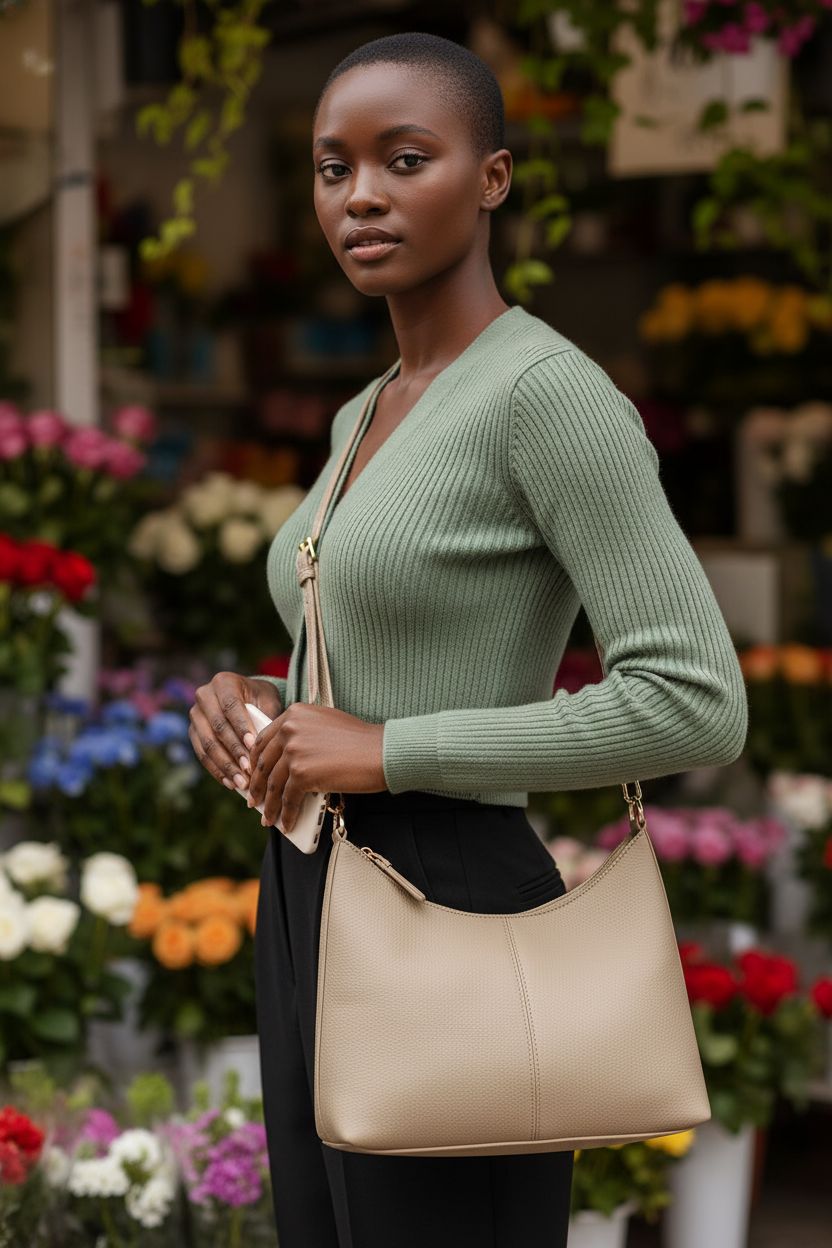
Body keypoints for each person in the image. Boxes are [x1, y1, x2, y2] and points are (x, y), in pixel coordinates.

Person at [187, 30, 748, 1248]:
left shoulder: (546, 394)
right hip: (311, 887)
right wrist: (258, 699)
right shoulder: (366, 409)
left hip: (447, 897)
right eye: (333, 168)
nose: (361, 196)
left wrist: (389, 750)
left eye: (404, 159)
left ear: (491, 178)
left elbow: (696, 700)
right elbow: (373, 653)